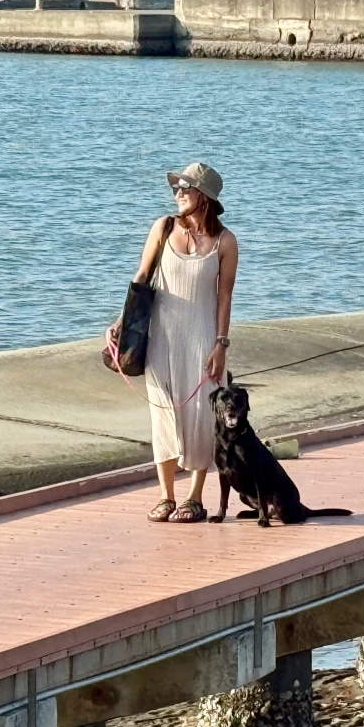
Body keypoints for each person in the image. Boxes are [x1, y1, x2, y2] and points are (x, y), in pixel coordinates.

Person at [130, 163, 239, 524]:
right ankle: (166, 496)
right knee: (162, 411)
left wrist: (220, 344)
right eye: (176, 187)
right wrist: (121, 323)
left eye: (185, 187)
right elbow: (141, 278)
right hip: (160, 336)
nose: (178, 192)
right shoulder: (163, 228)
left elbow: (224, 298)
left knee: (200, 416)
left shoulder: (225, 242)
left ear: (204, 197)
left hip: (202, 337)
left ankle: (194, 497)